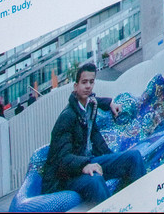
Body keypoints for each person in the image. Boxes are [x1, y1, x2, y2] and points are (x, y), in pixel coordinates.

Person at [42, 63, 145, 204]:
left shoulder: (89, 107)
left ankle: (142, 204)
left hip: (84, 163)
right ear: (75, 86)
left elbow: (96, 104)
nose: (88, 86)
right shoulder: (67, 117)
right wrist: (83, 165)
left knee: (133, 157)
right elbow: (62, 159)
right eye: (84, 82)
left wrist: (110, 103)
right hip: (64, 177)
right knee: (95, 179)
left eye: (91, 82)